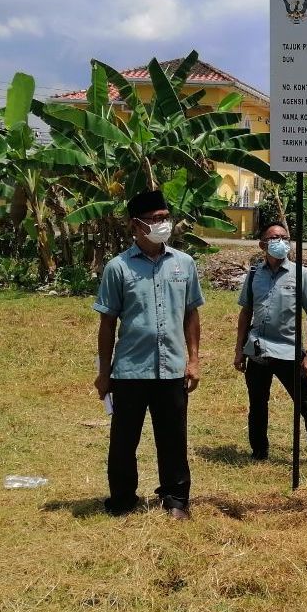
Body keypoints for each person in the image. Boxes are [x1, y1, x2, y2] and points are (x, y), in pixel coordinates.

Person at [93, 190, 203, 520]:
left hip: (172, 367)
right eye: (155, 219)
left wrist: (194, 360)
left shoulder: (184, 264)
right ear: (136, 225)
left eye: (165, 217)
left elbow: (191, 314)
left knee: (173, 438)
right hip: (130, 369)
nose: (162, 224)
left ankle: (176, 499)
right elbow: (107, 323)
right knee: (124, 440)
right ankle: (122, 499)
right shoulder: (118, 268)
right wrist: (104, 372)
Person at [234, 223, 307, 472]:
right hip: (258, 351)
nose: (280, 241)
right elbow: (245, 313)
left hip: (289, 352)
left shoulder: (300, 274)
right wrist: (239, 350)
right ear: (262, 245)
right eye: (274, 238)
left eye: (284, 238)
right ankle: (259, 450)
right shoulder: (254, 275)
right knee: (257, 404)